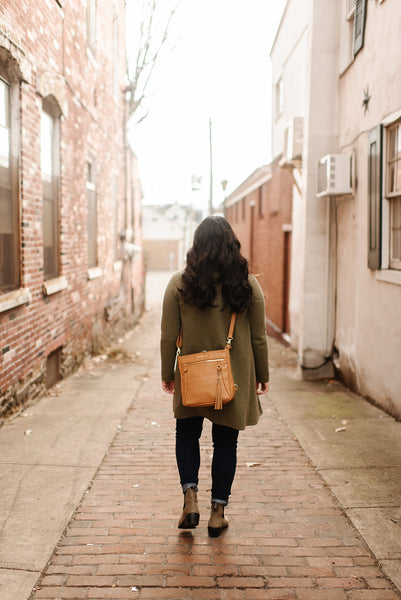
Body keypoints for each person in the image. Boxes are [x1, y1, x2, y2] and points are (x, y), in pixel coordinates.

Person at [160, 216, 269, 537]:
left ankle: (189, 499)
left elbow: (168, 336)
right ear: (231, 246)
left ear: (197, 247)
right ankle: (217, 513)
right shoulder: (247, 285)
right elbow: (259, 337)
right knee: (226, 443)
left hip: (192, 376)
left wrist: (168, 373)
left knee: (186, 435)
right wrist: (262, 374)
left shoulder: (179, 283)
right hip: (232, 380)